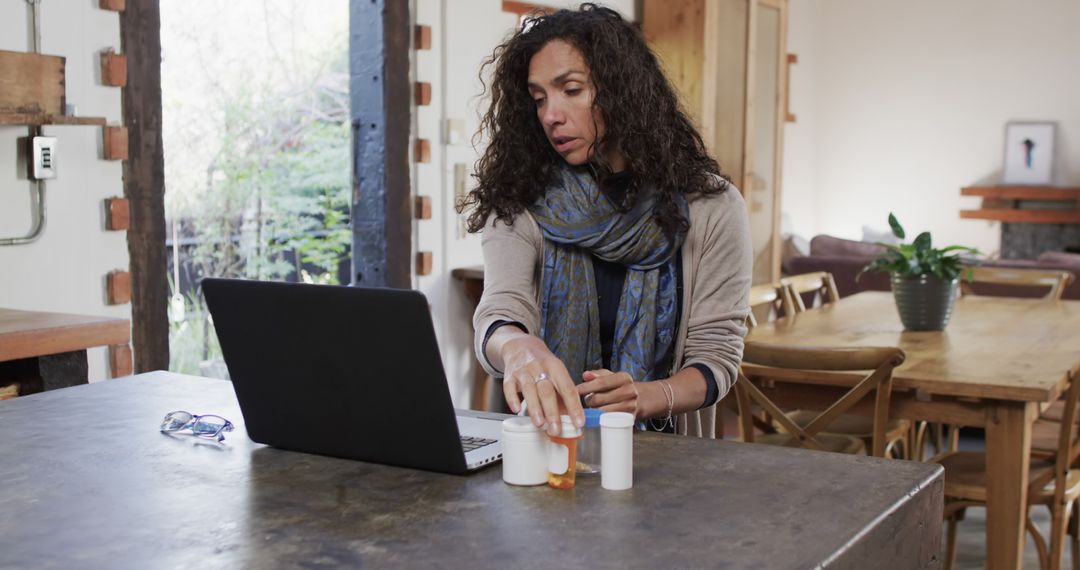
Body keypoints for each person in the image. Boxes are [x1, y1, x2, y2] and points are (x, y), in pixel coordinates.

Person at [459, 3, 751, 438]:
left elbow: (717, 357)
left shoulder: (712, 207)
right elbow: (500, 314)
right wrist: (519, 347)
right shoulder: (520, 200)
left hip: (671, 459)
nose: (550, 115)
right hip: (550, 448)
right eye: (539, 99)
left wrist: (649, 397)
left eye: (570, 90)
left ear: (621, 91)